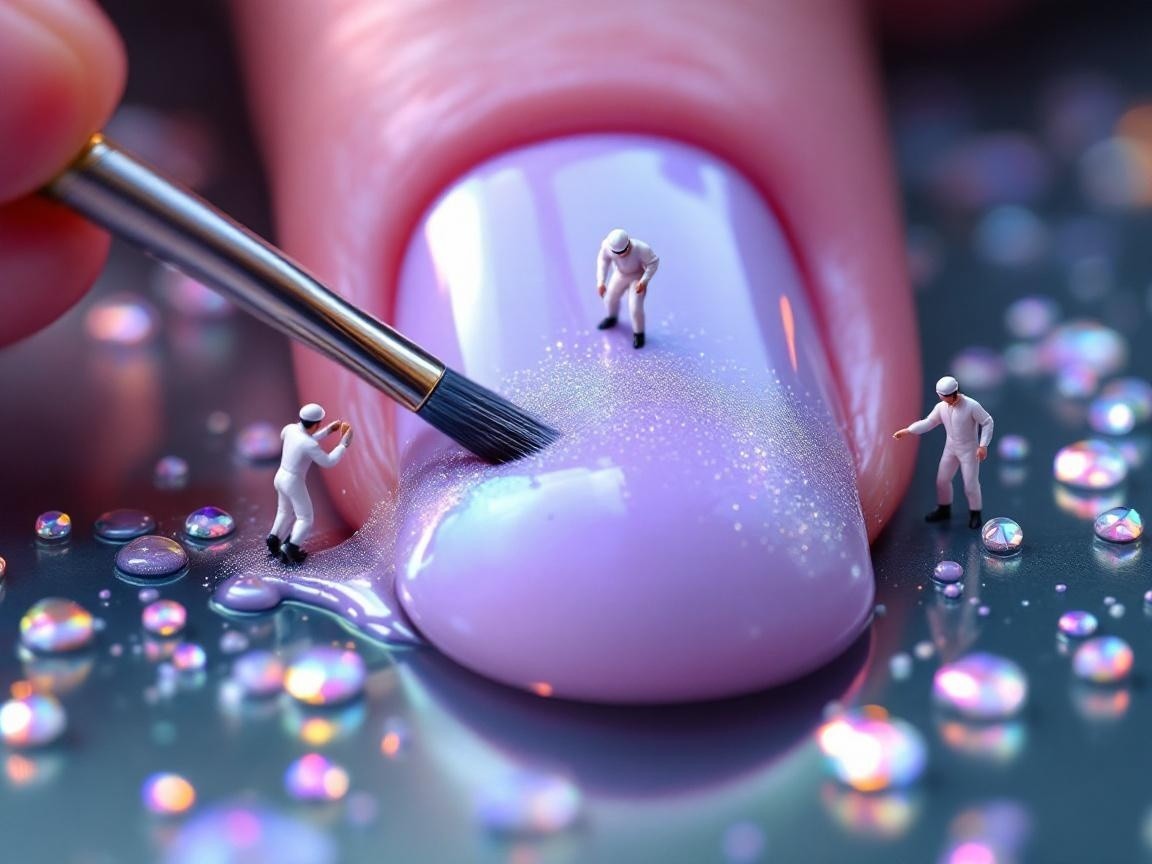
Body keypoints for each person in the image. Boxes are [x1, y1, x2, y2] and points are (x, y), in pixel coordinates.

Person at [892, 376, 994, 529]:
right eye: (941, 397)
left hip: (969, 451)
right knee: (942, 480)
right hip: (951, 448)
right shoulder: (941, 407)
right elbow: (929, 422)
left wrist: (983, 445)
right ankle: (944, 508)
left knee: (970, 485)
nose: (943, 400)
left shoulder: (971, 405)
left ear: (954, 393)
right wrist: (909, 430)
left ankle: (975, 513)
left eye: (945, 397)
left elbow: (987, 422)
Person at [268, 403, 353, 564]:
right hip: (293, 481)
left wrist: (328, 431)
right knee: (305, 518)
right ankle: (291, 548)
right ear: (316, 424)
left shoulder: (289, 429)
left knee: (284, 511)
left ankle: (273, 539)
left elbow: (301, 440)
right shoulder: (310, 444)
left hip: (280, 476)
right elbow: (328, 461)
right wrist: (343, 444)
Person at [596, 228, 659, 349]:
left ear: (629, 243)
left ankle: (639, 333)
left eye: (623, 251)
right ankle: (612, 317)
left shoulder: (641, 248)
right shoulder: (606, 246)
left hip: (637, 276)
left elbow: (653, 262)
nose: (620, 255)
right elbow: (603, 261)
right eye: (616, 252)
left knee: (635, 307)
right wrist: (601, 281)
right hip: (620, 274)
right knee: (609, 298)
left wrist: (644, 280)